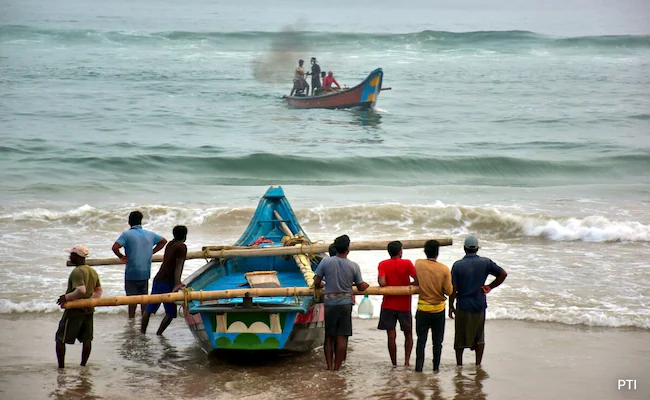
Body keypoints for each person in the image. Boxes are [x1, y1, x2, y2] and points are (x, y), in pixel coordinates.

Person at [449, 236, 508, 366]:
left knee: (460, 337)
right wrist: (490, 287)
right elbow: (503, 274)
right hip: (479, 303)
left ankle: (459, 365)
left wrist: (450, 306)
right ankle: (477, 364)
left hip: (463, 305)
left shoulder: (457, 265)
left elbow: (453, 288)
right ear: (477, 249)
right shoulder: (486, 262)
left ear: (464, 249)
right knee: (479, 335)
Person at [313, 235, 369, 371]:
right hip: (345, 303)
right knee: (342, 336)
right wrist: (365, 285)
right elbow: (361, 286)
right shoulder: (353, 265)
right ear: (347, 249)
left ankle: (329, 366)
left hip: (330, 302)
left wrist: (322, 285)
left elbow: (316, 282)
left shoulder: (326, 262)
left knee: (329, 336)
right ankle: (337, 368)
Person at [112, 211, 167, 319]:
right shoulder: (150, 234)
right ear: (141, 221)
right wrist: (151, 252)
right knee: (144, 299)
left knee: (131, 300)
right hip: (145, 272)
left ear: (129, 222)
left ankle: (131, 320)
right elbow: (163, 241)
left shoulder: (126, 235)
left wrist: (121, 256)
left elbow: (115, 247)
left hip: (132, 272)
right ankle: (144, 321)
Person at [55, 245, 103, 368]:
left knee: (61, 338)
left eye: (71, 254)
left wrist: (66, 297)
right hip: (88, 309)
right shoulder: (92, 271)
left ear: (77, 257)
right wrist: (90, 302)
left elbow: (81, 290)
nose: (69, 256)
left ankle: (61, 367)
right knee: (87, 339)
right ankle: (83, 366)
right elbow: (99, 290)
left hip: (75, 310)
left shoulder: (77, 271)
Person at [141, 225, 188, 335]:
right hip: (168, 282)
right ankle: (159, 334)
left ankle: (142, 333)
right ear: (185, 235)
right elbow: (179, 265)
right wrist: (177, 283)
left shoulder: (170, 244)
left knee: (149, 309)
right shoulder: (182, 247)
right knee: (171, 313)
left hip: (158, 279)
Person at [414, 240, 453, 372]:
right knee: (437, 342)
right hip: (438, 310)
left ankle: (418, 368)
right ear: (438, 253)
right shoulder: (444, 269)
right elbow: (449, 291)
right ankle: (435, 368)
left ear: (425, 252)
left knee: (421, 341)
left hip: (423, 309)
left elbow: (417, 279)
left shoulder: (418, 264)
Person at [377, 241, 417, 367]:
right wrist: (409, 285)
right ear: (400, 251)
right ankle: (406, 362)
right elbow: (417, 280)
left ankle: (394, 363)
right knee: (408, 333)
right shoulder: (407, 263)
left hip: (388, 303)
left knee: (391, 336)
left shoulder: (383, 264)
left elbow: (382, 283)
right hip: (404, 304)